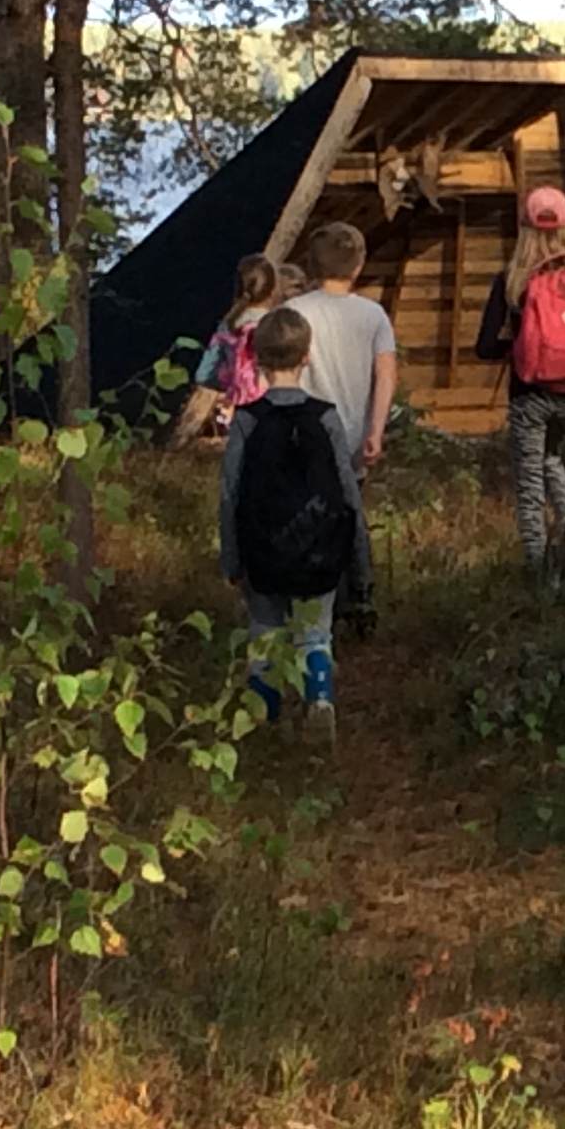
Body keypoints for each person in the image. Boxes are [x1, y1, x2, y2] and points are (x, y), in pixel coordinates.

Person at [219, 306, 360, 741]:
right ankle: (319, 698)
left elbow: (230, 494)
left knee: (264, 629)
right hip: (320, 550)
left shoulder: (247, 420)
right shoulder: (325, 417)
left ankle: (265, 712)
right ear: (306, 356)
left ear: (257, 357)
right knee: (316, 631)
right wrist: (358, 561)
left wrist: (231, 559)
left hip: (261, 550)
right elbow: (348, 493)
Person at [475, 186, 565, 567]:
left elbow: (485, 346)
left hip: (529, 395)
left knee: (529, 482)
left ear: (525, 227)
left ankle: (537, 567)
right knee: (551, 458)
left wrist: (515, 346)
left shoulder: (513, 281)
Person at [282, 223, 395, 632]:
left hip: (304, 439)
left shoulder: (292, 314)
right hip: (353, 440)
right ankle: (356, 598)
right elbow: (386, 374)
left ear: (311, 265)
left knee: (310, 520)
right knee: (349, 513)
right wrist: (376, 430)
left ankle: (318, 605)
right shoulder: (373, 315)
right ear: (358, 266)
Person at [194, 254, 279, 427]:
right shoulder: (278, 324)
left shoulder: (228, 326)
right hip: (274, 410)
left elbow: (203, 375)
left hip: (239, 412)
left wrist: (232, 382)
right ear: (273, 290)